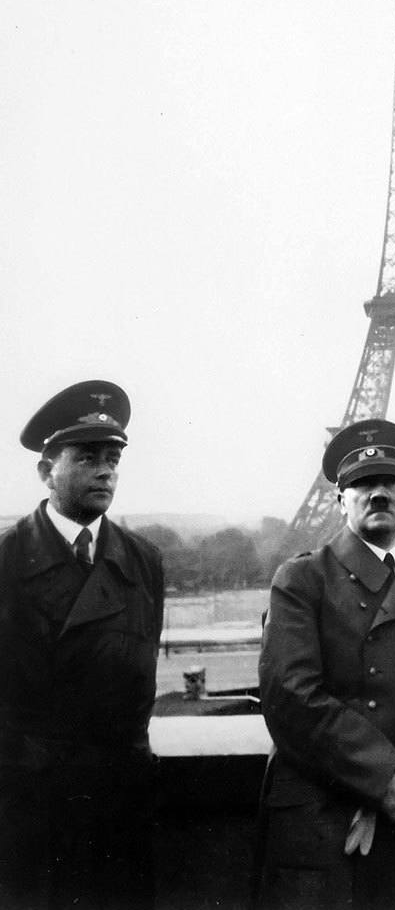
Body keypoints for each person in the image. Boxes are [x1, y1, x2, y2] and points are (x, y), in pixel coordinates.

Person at [255, 418, 395, 910]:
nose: (378, 493)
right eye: (362, 483)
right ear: (340, 499)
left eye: (391, 482)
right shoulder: (301, 579)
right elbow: (291, 694)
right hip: (325, 810)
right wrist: (380, 778)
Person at [0, 381, 164, 910]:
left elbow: (138, 682)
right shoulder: (5, 561)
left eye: (113, 458)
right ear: (47, 470)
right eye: (88, 456)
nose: (106, 471)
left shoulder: (143, 561)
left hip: (121, 805)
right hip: (31, 810)